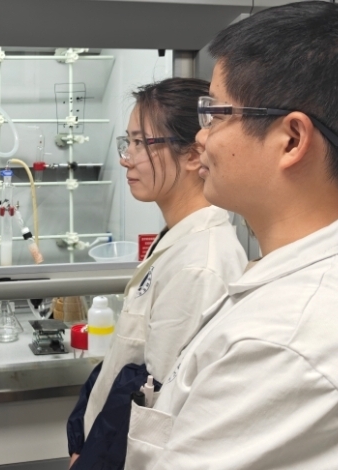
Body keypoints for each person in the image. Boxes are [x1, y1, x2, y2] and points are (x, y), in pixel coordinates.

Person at [125, 2, 338, 468]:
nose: (201, 138)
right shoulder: (288, 286)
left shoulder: (283, 341)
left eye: (215, 114)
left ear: (291, 140)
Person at [68, 78, 247, 468]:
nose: (126, 158)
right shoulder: (176, 239)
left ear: (194, 154)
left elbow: (159, 407)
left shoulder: (199, 265)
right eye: (127, 142)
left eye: (141, 143)